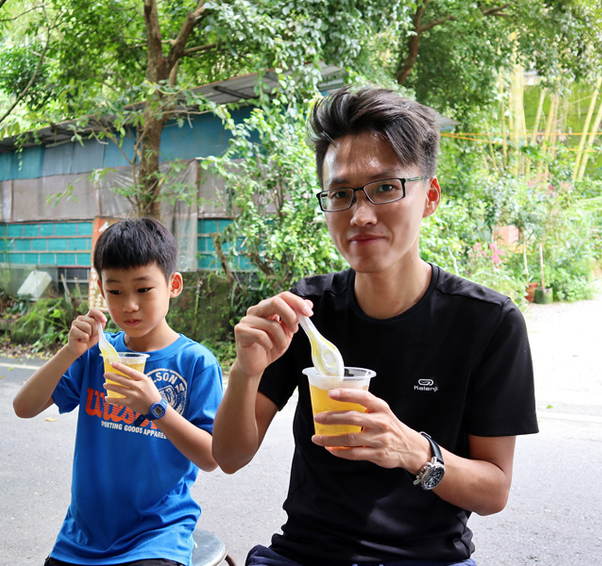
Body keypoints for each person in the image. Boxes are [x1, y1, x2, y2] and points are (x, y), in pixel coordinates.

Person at [212, 86, 538, 566]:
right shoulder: (308, 311)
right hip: (305, 554)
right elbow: (229, 457)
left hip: (427, 560)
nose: (360, 216)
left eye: (385, 188)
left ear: (429, 197)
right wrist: (245, 371)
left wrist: (412, 450)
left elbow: (494, 491)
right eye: (341, 194)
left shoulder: (487, 322)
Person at [14, 217, 223, 566]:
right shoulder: (95, 354)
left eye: (143, 289)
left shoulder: (195, 363)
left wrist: (157, 408)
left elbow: (212, 457)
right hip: (82, 537)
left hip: (157, 537)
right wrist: (69, 352)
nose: (129, 305)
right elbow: (24, 407)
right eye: (115, 291)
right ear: (101, 288)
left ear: (173, 285)